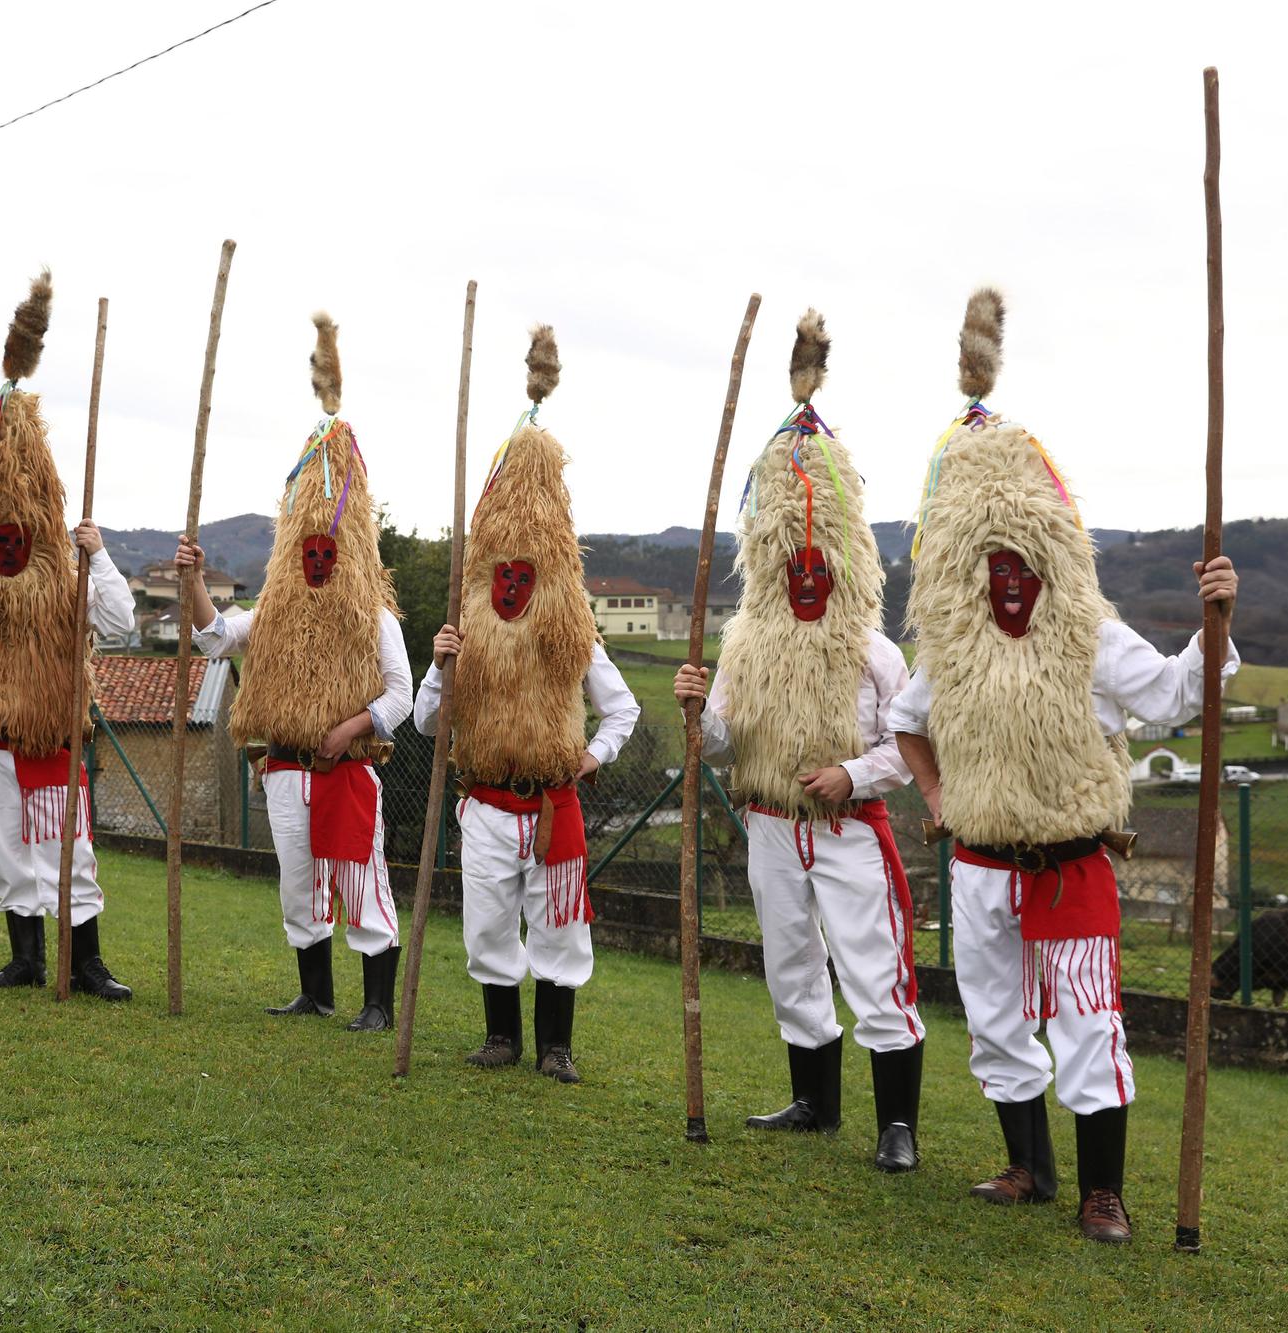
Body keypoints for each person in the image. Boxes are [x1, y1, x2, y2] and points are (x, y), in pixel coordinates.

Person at [889, 288, 1240, 1244]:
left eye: (1020, 560)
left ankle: (1103, 1191)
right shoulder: (951, 645)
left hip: (1073, 863)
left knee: (1088, 1025)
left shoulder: (1091, 635)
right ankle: (1027, 1166)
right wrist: (933, 790)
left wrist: (1217, 621)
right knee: (998, 1025)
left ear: (1049, 555)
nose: (1006, 578)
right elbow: (902, 718)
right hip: (979, 866)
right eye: (989, 560)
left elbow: (1174, 697)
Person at [671, 309, 925, 1169]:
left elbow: (919, 742)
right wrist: (697, 709)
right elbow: (717, 745)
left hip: (849, 831)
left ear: (843, 565)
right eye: (793, 566)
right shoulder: (747, 646)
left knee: (873, 965)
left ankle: (897, 1125)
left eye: (820, 565)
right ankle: (814, 1101)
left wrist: (854, 774)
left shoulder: (875, 649)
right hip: (771, 827)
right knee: (791, 962)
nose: (806, 577)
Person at [415, 325, 640, 1084]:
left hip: (551, 807)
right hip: (483, 804)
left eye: (525, 574)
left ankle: (557, 1047)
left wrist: (592, 756)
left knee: (558, 928)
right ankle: (501, 1039)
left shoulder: (573, 634)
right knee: (486, 927)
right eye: (502, 574)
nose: (512, 586)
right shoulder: (465, 632)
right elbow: (421, 723)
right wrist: (441, 668)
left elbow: (624, 711)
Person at [179, 311, 412, 1030]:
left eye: (326, 551)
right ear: (292, 550)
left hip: (346, 769)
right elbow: (216, 638)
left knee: (359, 876)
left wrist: (350, 726)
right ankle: (315, 991)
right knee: (299, 883)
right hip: (283, 770)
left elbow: (402, 692)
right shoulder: (272, 611)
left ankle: (376, 1002)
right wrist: (191, 580)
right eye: (305, 550)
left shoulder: (374, 614)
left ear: (345, 548)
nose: (316, 561)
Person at [0, 269, 138, 1000]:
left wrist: (99, 553)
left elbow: (119, 624)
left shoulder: (67, 573)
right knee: (8, 855)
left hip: (51, 739)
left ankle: (85, 962)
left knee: (69, 854)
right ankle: (25, 957)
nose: (7, 539)